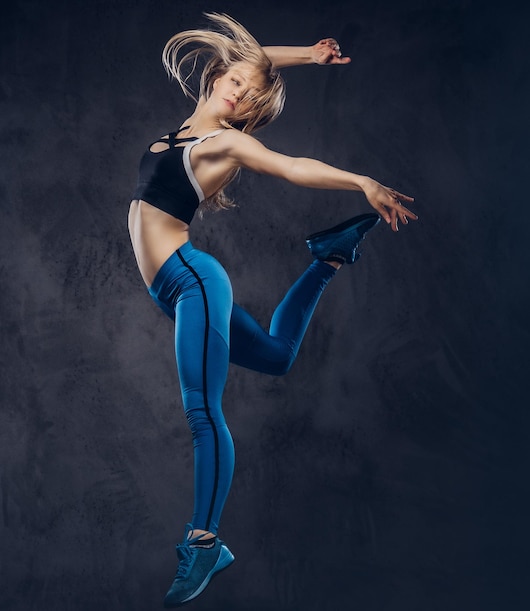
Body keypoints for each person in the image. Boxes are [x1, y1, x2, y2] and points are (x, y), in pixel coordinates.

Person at [127, 13, 417, 608]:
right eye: (238, 81)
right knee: (278, 357)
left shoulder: (224, 142)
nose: (242, 92)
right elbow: (251, 58)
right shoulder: (188, 125)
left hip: (192, 282)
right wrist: (308, 57)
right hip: (175, 292)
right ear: (218, 75)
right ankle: (330, 257)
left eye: (252, 96)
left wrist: (361, 180)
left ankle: (204, 541)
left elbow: (293, 167)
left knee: (202, 411)